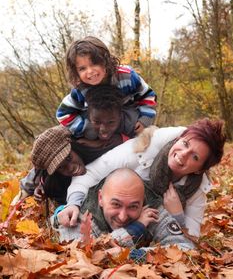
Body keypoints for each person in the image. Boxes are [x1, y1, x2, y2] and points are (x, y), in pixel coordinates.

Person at [56, 118, 226, 238]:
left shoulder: (194, 189)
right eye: (185, 144)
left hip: (141, 230)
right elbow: (92, 172)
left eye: (195, 157)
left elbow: (191, 238)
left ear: (199, 170)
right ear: (179, 138)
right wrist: (73, 203)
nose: (182, 155)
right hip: (103, 212)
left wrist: (178, 216)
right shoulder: (142, 151)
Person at [12, 85, 130, 205]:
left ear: (73, 146)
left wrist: (119, 139)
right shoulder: (56, 178)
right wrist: (40, 188)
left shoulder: (94, 142)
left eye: (69, 158)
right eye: (61, 167)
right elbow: (40, 168)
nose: (71, 167)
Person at [52, 168, 194, 250]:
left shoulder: (151, 208)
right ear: (101, 198)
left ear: (142, 200)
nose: (123, 216)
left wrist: (137, 255)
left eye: (133, 206)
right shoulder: (78, 215)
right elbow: (80, 257)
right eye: (116, 204)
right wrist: (133, 229)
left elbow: (186, 249)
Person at [56, 36, 157, 138]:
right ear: (76, 72)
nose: (90, 71)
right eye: (82, 68)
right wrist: (86, 128)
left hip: (127, 119)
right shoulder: (80, 90)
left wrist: (144, 119)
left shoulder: (127, 76)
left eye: (94, 64)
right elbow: (63, 114)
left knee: (144, 134)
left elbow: (148, 95)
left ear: (105, 61)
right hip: (98, 129)